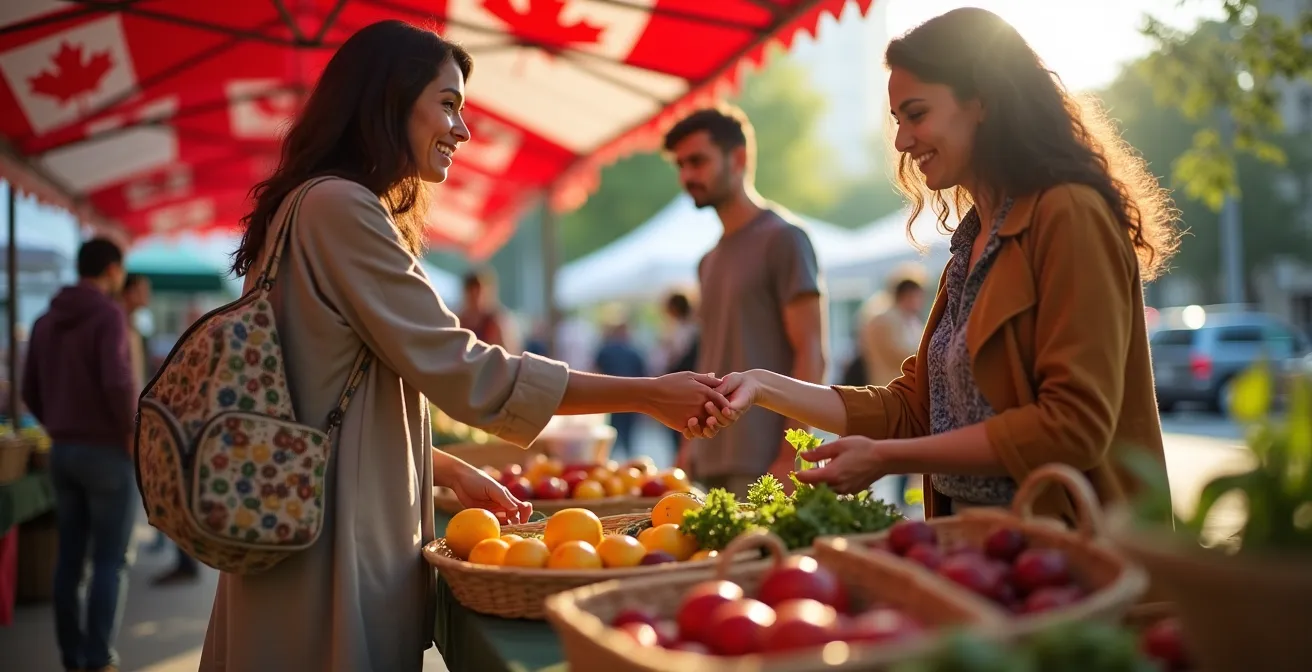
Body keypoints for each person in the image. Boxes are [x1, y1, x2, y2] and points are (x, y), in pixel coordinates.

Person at [207, 20, 728, 672]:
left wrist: (446, 468)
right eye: (448, 104)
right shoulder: (340, 207)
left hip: (300, 514)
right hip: (329, 533)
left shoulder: (306, 206)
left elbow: (321, 390)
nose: (462, 129)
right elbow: (467, 371)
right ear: (388, 101)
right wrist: (648, 394)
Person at [695, 8, 1179, 523]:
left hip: (1075, 564)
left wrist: (886, 458)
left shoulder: (1069, 213)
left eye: (917, 114)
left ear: (983, 101)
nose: (902, 141)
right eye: (898, 121)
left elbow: (1073, 426)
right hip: (981, 551)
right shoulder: (970, 241)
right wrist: (764, 386)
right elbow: (913, 408)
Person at [663, 105, 828, 497]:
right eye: (681, 165)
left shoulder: (784, 239)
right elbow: (712, 357)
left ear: (738, 159)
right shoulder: (708, 261)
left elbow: (811, 350)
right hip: (708, 460)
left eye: (698, 161)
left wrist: (793, 454)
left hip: (766, 463)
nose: (687, 176)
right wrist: (689, 447)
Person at [23, 238, 137, 672]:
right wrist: (128, 431)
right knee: (110, 560)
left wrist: (58, 424)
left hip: (61, 451)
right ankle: (98, 657)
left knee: (69, 559)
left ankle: (72, 655)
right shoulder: (108, 315)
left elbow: (29, 389)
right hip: (107, 452)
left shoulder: (45, 320)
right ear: (111, 269)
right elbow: (117, 382)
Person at [593, 317, 648, 458]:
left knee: (611, 433)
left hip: (609, 399)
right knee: (628, 436)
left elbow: (595, 372)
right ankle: (630, 460)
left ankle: (607, 461)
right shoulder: (635, 351)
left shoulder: (605, 350)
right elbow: (644, 377)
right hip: (632, 400)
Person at [859, 275, 926, 387]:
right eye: (918, 296)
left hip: (902, 387)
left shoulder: (912, 320)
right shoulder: (884, 320)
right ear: (907, 295)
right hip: (889, 386)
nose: (920, 302)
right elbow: (897, 355)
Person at [457, 267, 519, 352]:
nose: (476, 299)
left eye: (479, 293)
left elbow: (507, 354)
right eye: (472, 294)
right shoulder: (459, 322)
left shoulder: (496, 321)